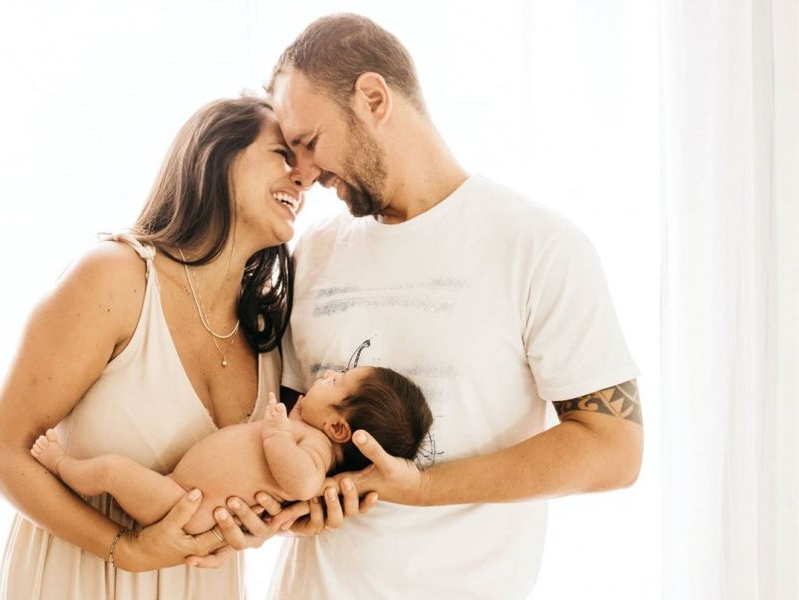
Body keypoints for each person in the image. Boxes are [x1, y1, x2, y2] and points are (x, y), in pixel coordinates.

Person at [264, 13, 644, 599]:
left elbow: (613, 447)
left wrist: (419, 486)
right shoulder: (311, 254)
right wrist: (301, 497)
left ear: (372, 98)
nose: (306, 175)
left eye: (310, 143)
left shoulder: (537, 245)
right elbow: (289, 427)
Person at [0, 96, 310, 599]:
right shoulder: (115, 279)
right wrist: (125, 550)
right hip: (83, 580)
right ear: (217, 155)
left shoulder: (268, 333)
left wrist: (257, 526)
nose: (304, 178)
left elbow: (252, 482)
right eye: (284, 154)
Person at [29, 366, 433, 535]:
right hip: (180, 493)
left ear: (339, 428)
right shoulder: (306, 429)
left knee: (113, 471)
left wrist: (276, 432)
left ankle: (61, 463)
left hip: (184, 507)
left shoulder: (315, 450)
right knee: (118, 471)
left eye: (337, 381)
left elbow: (304, 483)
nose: (326, 374)